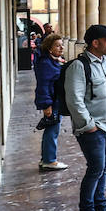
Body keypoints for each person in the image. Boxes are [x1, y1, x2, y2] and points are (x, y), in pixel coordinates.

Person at [63, 24, 106, 211]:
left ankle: (101, 208)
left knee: (102, 168)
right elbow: (74, 100)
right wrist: (88, 125)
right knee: (96, 168)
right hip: (93, 128)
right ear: (95, 43)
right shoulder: (79, 66)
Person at [33, 33, 68, 171]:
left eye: (61, 45)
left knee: (52, 129)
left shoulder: (53, 60)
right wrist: (46, 105)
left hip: (56, 101)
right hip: (52, 102)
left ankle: (46, 158)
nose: (61, 48)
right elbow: (43, 85)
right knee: (52, 130)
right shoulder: (46, 63)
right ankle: (49, 160)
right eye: (57, 45)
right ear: (49, 48)